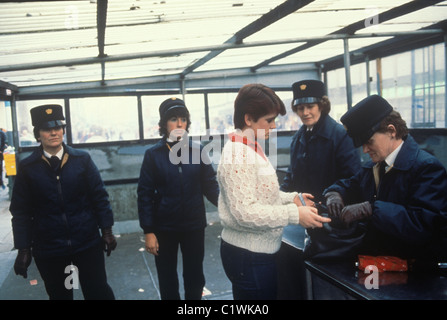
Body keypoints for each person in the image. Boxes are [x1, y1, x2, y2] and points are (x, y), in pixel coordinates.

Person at [217, 83, 331, 300]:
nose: (273, 125)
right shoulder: (238, 154)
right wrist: (294, 215)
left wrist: (292, 198)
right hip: (249, 257)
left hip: (254, 255)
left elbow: (261, 194)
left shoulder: (250, 146)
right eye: (269, 120)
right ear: (249, 119)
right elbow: (245, 213)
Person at [10, 104, 117, 300]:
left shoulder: (81, 160)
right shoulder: (28, 168)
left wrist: (107, 230)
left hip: (86, 243)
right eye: (47, 129)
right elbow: (21, 212)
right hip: (50, 249)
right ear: (37, 134)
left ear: (63, 130)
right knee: (60, 295)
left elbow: (99, 197)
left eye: (58, 127)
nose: (54, 133)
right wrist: (23, 249)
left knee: (98, 291)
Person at [324, 95, 447, 263]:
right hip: (377, 263)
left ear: (391, 131)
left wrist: (373, 210)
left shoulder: (427, 169)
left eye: (369, 142)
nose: (365, 150)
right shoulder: (374, 167)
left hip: (412, 271)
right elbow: (350, 185)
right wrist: (335, 193)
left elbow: (424, 225)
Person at [137, 97, 219, 300]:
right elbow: (144, 195)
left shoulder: (198, 151)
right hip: (164, 228)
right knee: (167, 278)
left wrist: (229, 207)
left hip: (193, 226)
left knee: (195, 276)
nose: (179, 123)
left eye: (183, 119)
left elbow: (210, 186)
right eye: (173, 119)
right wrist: (149, 231)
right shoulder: (153, 155)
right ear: (164, 125)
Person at [281, 80, 361, 203]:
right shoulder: (298, 138)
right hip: (304, 210)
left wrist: (335, 193)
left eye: (310, 106)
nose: (305, 113)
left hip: (330, 210)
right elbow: (291, 177)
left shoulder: (340, 135)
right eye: (300, 108)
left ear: (322, 106)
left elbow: (353, 177)